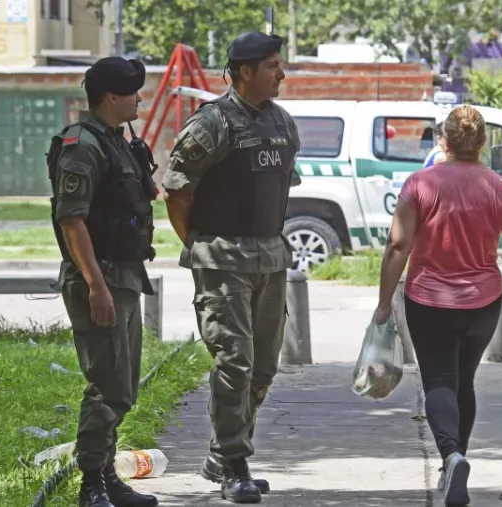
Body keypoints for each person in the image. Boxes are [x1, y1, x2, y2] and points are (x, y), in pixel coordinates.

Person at [373, 105, 502, 507]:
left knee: (439, 381)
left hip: (428, 301)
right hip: (483, 303)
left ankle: (451, 457)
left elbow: (398, 245)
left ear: (445, 142)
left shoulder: (420, 184)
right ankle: (454, 463)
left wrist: (384, 302)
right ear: (483, 142)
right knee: (464, 380)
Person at [161, 31, 301, 504]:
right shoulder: (212, 123)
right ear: (245, 72)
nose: (282, 74)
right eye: (273, 66)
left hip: (270, 259)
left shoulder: (282, 123)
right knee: (234, 362)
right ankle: (235, 465)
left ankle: (222, 456)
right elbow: (177, 192)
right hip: (223, 261)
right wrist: (201, 246)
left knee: (262, 369)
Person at [46, 56, 159, 507]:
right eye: (132, 91)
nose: (139, 99)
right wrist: (96, 285)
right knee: (108, 384)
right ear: (111, 97)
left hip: (124, 275)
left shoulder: (116, 141)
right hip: (100, 277)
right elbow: (72, 221)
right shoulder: (82, 145)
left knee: (123, 386)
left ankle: (107, 476)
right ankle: (91, 483)